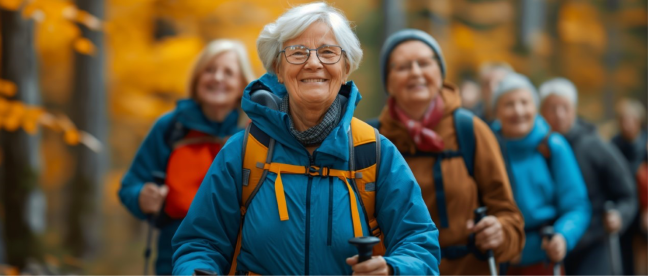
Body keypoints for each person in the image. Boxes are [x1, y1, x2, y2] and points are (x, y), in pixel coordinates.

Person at [171, 3, 440, 276]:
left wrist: (392, 270)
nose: (313, 63)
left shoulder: (374, 152)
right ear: (278, 69)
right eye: (297, 53)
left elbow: (419, 244)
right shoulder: (242, 152)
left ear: (346, 68)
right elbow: (200, 243)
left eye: (328, 52)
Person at [370, 29, 524, 276]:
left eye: (424, 63)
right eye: (403, 66)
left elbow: (509, 215)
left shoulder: (469, 130)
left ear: (440, 73)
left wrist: (500, 231)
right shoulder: (373, 139)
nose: (416, 72)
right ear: (388, 81)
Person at [118, 39, 255, 276]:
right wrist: (142, 196)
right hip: (175, 256)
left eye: (228, 72)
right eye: (209, 70)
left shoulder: (255, 132)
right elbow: (130, 186)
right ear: (197, 79)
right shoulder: (171, 127)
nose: (217, 78)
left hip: (244, 257)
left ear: (243, 83)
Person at [490, 72, 591, 276]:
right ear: (497, 111)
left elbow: (577, 206)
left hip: (544, 260)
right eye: (509, 104)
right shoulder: (487, 146)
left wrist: (563, 236)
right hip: (499, 261)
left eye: (524, 102)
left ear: (535, 108)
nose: (518, 111)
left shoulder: (553, 146)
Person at [539, 78, 638, 276]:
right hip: (548, 244)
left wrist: (619, 216)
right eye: (552, 108)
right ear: (541, 111)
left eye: (565, 107)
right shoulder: (536, 148)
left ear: (574, 109)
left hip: (593, 242)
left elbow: (627, 194)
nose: (559, 115)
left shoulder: (595, 146)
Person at [611, 98, 647, 276]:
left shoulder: (646, 145)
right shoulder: (613, 145)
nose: (627, 125)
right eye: (623, 120)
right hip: (624, 205)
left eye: (631, 119)